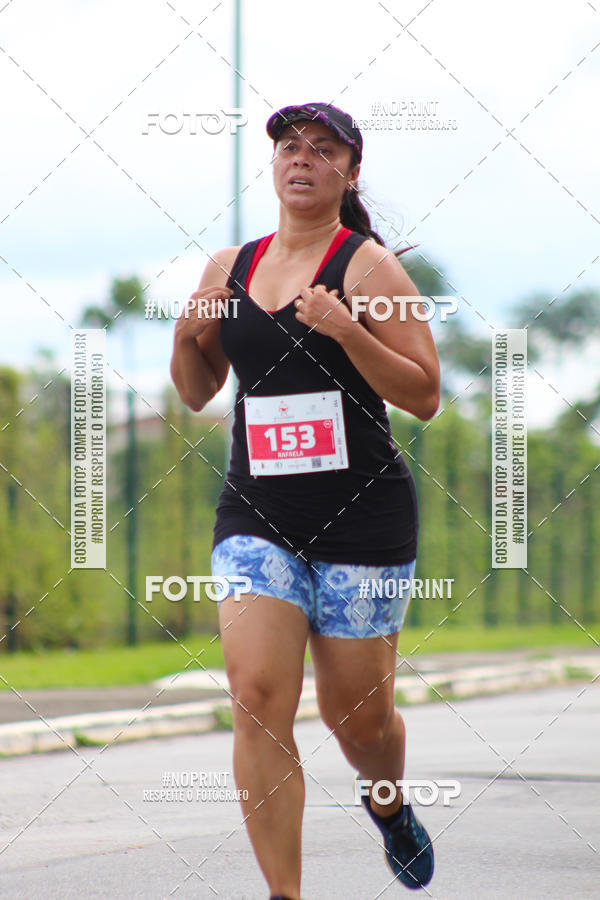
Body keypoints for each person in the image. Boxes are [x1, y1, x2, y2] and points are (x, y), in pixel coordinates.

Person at [170, 102, 441, 899]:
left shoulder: (368, 270)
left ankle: (387, 801)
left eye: (323, 150)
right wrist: (188, 334)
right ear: (274, 164)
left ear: (348, 173)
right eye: (290, 146)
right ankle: (284, 893)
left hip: (364, 515)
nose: (302, 159)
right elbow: (196, 392)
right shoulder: (229, 266)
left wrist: (347, 329)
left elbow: (424, 394)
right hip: (257, 514)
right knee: (256, 696)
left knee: (357, 722)